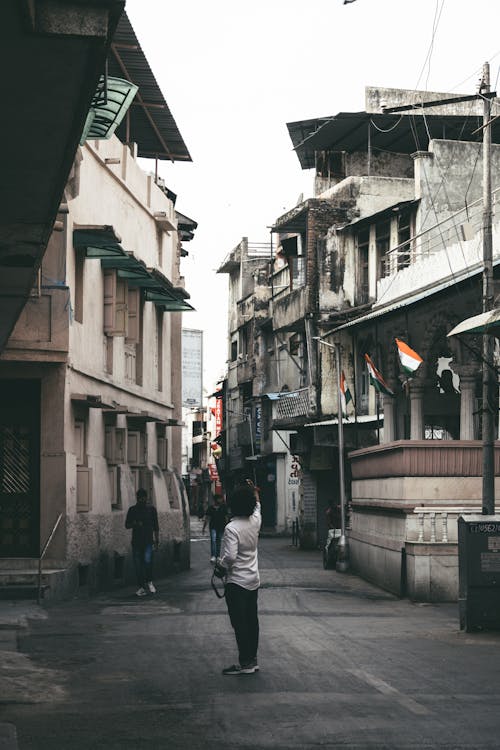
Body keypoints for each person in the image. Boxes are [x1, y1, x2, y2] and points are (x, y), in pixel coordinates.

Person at [218, 480, 261, 675]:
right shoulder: (255, 521)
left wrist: (220, 565)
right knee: (252, 621)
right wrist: (254, 492)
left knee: (239, 623)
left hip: (236, 582)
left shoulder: (232, 528)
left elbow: (230, 557)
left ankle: (245, 662)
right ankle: (252, 659)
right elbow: (258, 506)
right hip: (253, 580)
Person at [125, 488, 159, 597]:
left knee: (147, 562)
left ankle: (149, 582)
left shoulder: (151, 510)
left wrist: (156, 540)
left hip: (148, 541)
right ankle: (142, 586)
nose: (142, 500)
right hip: (137, 542)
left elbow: (156, 526)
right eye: (141, 498)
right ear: (138, 498)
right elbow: (127, 525)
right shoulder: (132, 510)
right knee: (138, 565)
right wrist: (135, 524)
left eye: (143, 498)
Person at [203, 493, 228, 562]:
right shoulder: (210, 508)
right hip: (213, 527)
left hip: (221, 526)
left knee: (218, 541)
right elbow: (207, 518)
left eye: (221, 498)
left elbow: (226, 517)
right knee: (213, 540)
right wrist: (204, 527)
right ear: (216, 500)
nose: (221, 500)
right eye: (219, 498)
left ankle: (218, 556)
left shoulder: (223, 507)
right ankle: (213, 556)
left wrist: (227, 527)